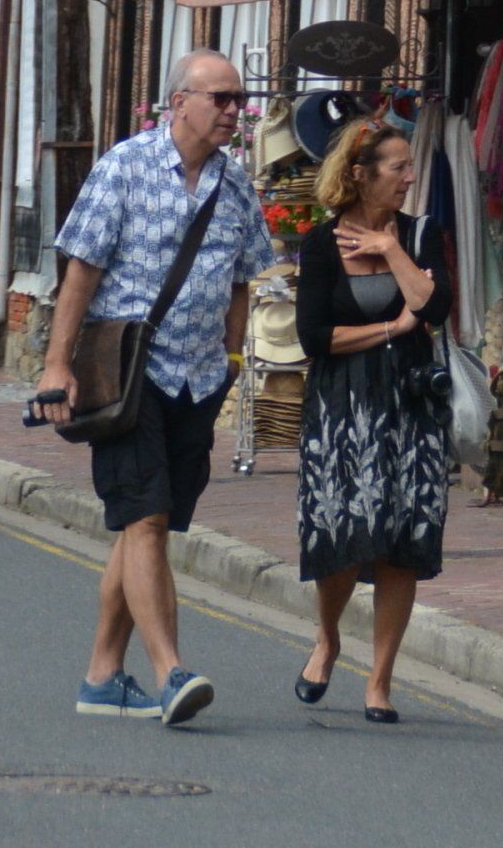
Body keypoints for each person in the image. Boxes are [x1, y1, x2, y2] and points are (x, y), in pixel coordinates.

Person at [33, 49, 275, 725]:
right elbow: (80, 273)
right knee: (144, 519)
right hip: (127, 376)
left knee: (151, 522)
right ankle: (172, 672)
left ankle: (102, 676)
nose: (234, 110)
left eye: (239, 99)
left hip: (198, 380)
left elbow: (243, 277)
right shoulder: (125, 167)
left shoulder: (235, 185)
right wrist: (56, 366)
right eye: (221, 98)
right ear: (179, 103)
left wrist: (232, 358)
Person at [294, 116, 451, 721]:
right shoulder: (321, 243)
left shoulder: (421, 233)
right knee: (342, 534)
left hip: (411, 404)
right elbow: (315, 338)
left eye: (410, 166)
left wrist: (391, 250)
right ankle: (328, 639)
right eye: (398, 167)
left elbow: (434, 306)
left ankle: (380, 680)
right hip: (341, 407)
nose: (409, 177)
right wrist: (390, 328)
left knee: (402, 542)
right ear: (360, 174)